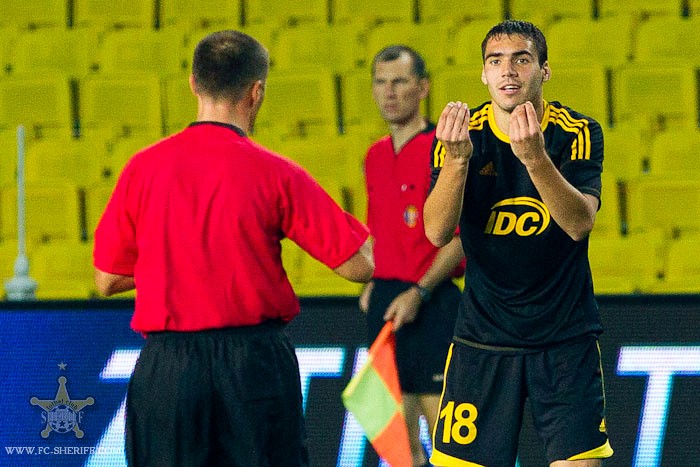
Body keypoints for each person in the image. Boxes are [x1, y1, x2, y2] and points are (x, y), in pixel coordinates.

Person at [92, 30, 374, 467]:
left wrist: (181, 263)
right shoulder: (277, 173)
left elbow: (107, 279)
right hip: (253, 365)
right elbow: (358, 265)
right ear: (256, 91)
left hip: (168, 369)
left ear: (193, 83)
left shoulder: (141, 169)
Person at [424, 20, 614, 467]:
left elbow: (578, 224)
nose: (507, 70)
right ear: (483, 74)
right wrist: (457, 162)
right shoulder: (461, 134)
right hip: (483, 340)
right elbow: (436, 233)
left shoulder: (577, 131)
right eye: (496, 61)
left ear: (544, 70)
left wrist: (534, 157)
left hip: (565, 340)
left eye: (521, 59)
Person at [359, 45, 465, 467]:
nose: (389, 92)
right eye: (381, 82)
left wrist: (419, 291)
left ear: (423, 88)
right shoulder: (374, 155)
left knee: (447, 436)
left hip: (433, 300)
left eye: (400, 82)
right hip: (387, 301)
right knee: (396, 439)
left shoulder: (447, 151)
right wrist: (373, 279)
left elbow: (462, 239)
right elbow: (378, 229)